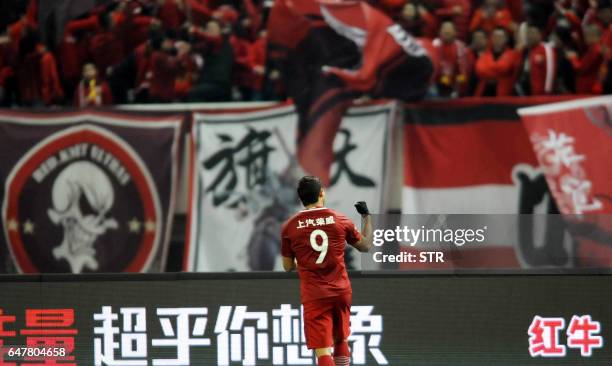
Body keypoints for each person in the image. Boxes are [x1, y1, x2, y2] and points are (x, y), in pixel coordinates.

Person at [280, 176, 372, 366]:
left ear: (301, 199)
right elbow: (366, 247)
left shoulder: (290, 226)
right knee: (341, 339)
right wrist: (366, 217)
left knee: (323, 350)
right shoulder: (340, 219)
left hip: (315, 294)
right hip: (341, 291)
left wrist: (305, 263)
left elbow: (288, 266)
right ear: (322, 193)